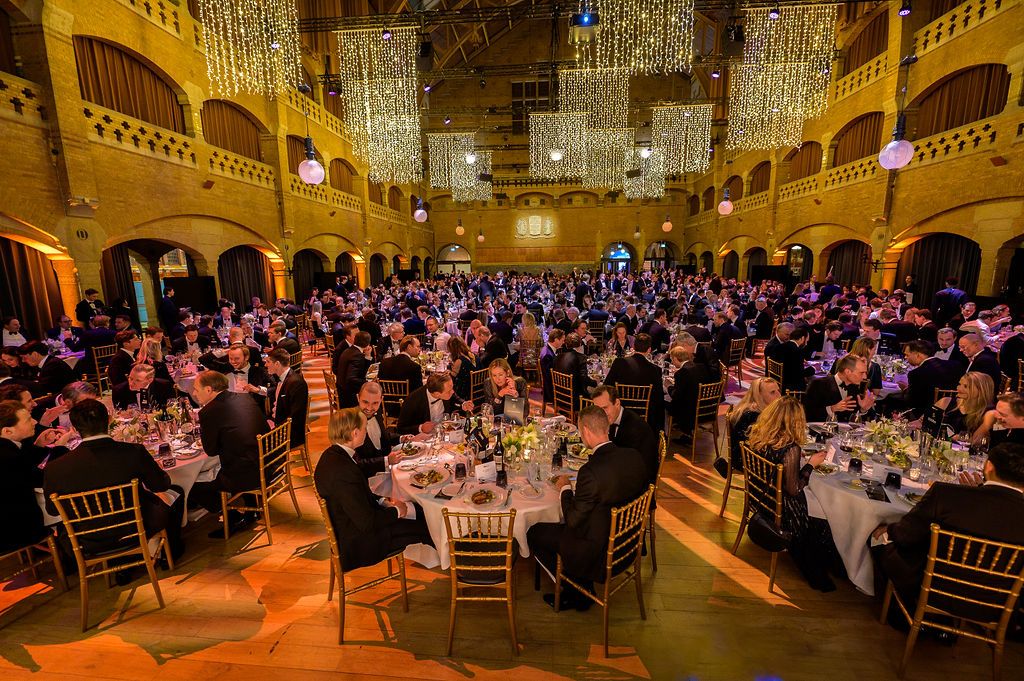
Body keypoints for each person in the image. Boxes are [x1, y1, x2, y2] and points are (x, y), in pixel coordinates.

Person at [870, 442, 1024, 623]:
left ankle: (906, 615)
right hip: (995, 607)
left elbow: (906, 534)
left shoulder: (947, 493)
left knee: (881, 541)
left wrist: (888, 529)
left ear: (988, 466)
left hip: (934, 591)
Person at [526, 406, 648, 611]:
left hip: (599, 552)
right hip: (629, 542)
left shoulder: (590, 472)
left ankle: (576, 591)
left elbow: (573, 520)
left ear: (586, 431)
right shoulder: (633, 456)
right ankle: (579, 586)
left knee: (534, 532)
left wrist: (565, 488)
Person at [43, 399, 185, 561]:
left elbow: (52, 510)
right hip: (135, 527)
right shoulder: (133, 452)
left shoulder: (55, 468)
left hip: (85, 539)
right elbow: (160, 485)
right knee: (176, 492)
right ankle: (170, 554)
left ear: (74, 429)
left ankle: (118, 563)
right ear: (110, 420)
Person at [314, 408, 433, 571]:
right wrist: (397, 511)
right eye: (365, 429)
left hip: (359, 522)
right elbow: (367, 523)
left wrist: (383, 501)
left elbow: (359, 495)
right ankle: (460, 566)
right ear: (355, 433)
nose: (366, 432)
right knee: (427, 526)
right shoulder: (343, 473)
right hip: (361, 542)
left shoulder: (333, 455)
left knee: (420, 510)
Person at [746, 397, 841, 591]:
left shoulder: (760, 435)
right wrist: (811, 465)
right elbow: (794, 489)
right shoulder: (790, 448)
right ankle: (828, 565)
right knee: (828, 514)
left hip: (761, 500)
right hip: (782, 510)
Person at [189, 370, 270, 537]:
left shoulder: (208, 412)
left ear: (209, 390)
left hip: (248, 474)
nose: (194, 394)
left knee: (192, 487)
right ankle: (251, 509)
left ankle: (233, 516)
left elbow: (211, 450)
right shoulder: (244, 397)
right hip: (268, 461)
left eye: (196, 389)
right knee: (236, 456)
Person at [0, 400, 71, 555]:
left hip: (10, 518)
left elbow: (25, 464)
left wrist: (38, 446)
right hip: (15, 529)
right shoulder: (7, 457)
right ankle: (69, 557)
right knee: (67, 507)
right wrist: (60, 447)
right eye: (28, 420)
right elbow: (44, 478)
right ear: (7, 431)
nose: (34, 422)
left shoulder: (7, 448)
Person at [715, 377, 782, 478]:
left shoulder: (760, 408)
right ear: (759, 395)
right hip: (747, 461)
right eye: (772, 392)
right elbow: (761, 445)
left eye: (778, 390)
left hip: (749, 455)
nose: (779, 395)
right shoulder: (752, 415)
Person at [592, 384, 658, 484]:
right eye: (598, 410)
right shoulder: (616, 418)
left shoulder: (635, 428)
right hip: (624, 470)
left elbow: (629, 465)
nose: (601, 414)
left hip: (638, 481)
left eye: (605, 408)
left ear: (617, 403)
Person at [605, 333, 666, 434]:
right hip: (644, 413)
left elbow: (607, 385)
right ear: (649, 350)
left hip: (621, 409)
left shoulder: (619, 363)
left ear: (633, 346)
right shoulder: (655, 370)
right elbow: (658, 398)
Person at [891, 340, 963, 419]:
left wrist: (905, 389)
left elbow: (911, 401)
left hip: (927, 415)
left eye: (907, 355)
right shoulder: (955, 365)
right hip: (954, 412)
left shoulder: (916, 373)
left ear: (917, 355)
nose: (905, 357)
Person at [803, 354, 876, 422]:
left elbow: (865, 419)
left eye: (865, 373)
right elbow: (807, 413)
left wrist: (863, 410)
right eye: (861, 373)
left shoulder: (856, 388)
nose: (865, 377)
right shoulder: (818, 384)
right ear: (847, 372)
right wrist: (832, 408)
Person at [261, 347, 309, 450]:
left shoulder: (296, 383)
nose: (265, 365)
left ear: (277, 364)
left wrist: (274, 430)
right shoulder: (282, 378)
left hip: (287, 433)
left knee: (253, 444)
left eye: (268, 362)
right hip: (276, 422)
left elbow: (295, 417)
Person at [396, 373, 472, 436]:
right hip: (424, 438)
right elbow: (400, 428)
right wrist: (421, 428)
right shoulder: (413, 400)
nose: (452, 392)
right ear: (437, 394)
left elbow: (455, 398)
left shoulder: (446, 391)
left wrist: (463, 404)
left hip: (445, 433)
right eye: (449, 391)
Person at [351, 382, 401, 477]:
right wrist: (386, 461)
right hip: (367, 478)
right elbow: (356, 463)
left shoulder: (378, 413)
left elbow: (381, 437)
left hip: (387, 471)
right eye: (365, 402)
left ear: (381, 400)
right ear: (358, 398)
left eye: (375, 403)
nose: (369, 408)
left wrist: (401, 438)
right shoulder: (350, 423)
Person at [934, 372, 995, 445]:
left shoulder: (987, 413)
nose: (959, 388)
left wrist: (963, 439)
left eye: (966, 386)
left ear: (981, 390)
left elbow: (978, 442)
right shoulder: (946, 402)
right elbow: (925, 423)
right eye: (959, 384)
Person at [552, 332, 595, 413]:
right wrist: (595, 382)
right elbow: (584, 379)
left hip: (559, 397)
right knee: (597, 393)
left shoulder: (557, 357)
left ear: (566, 345)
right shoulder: (581, 358)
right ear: (580, 344)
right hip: (576, 401)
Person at [335, 331, 372, 408]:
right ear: (368, 343)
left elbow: (361, 371)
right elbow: (351, 379)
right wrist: (368, 382)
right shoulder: (357, 355)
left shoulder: (348, 350)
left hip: (341, 390)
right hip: (349, 397)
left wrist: (367, 356)